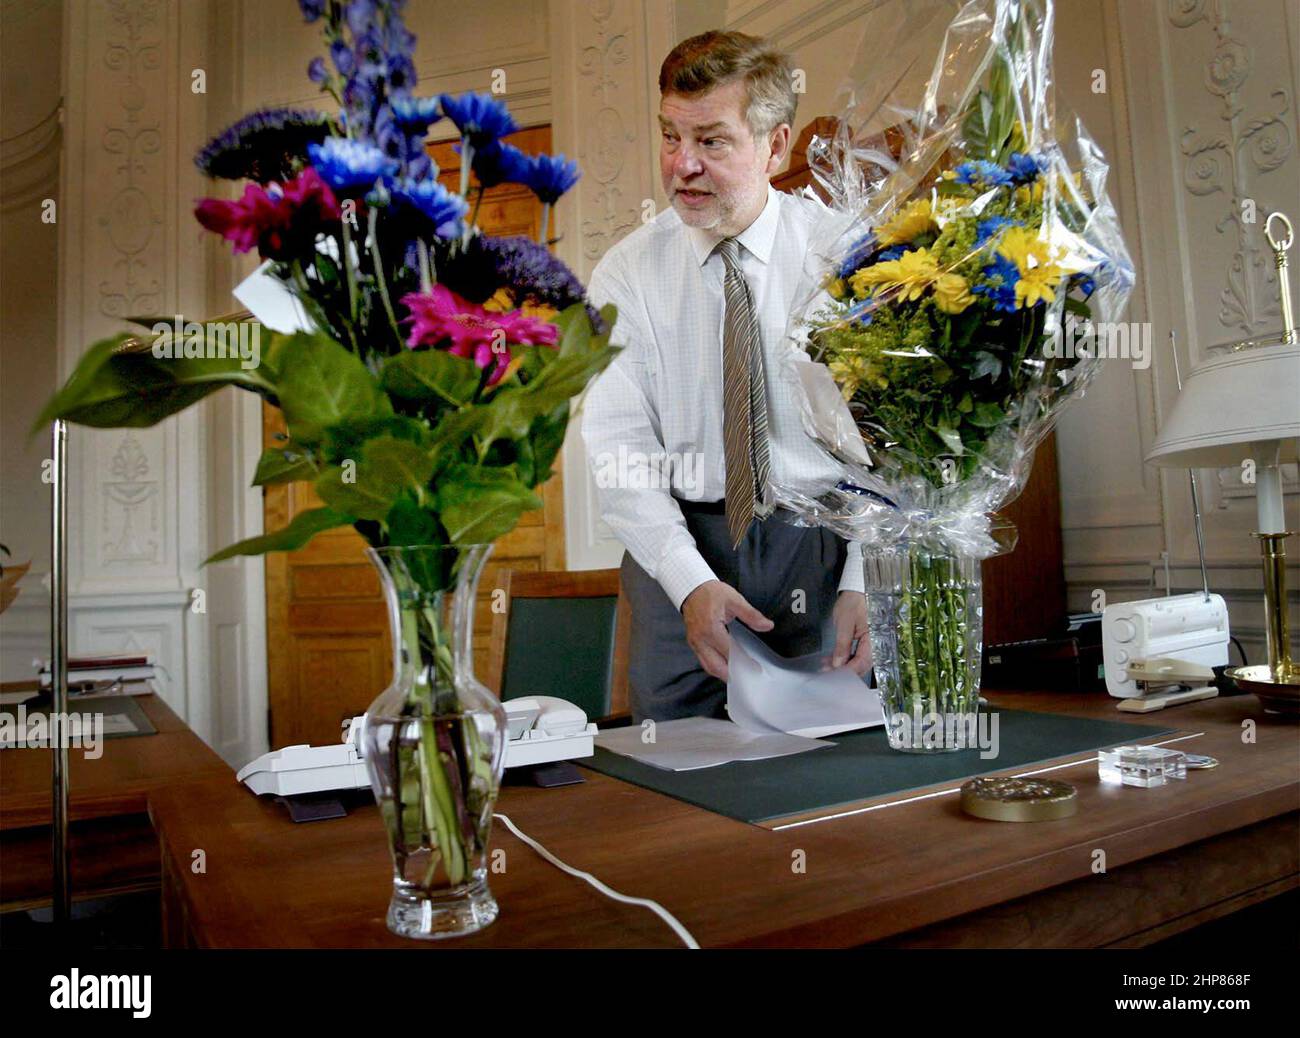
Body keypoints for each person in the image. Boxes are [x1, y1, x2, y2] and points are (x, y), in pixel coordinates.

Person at [581, 29, 870, 722]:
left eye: (711, 141)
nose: (682, 165)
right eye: (670, 137)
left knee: (833, 781)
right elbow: (620, 450)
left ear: (775, 145)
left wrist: (867, 579)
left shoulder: (846, 255)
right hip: (681, 554)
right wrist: (688, 584)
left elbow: (892, 444)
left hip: (823, 556)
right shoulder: (625, 272)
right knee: (678, 794)